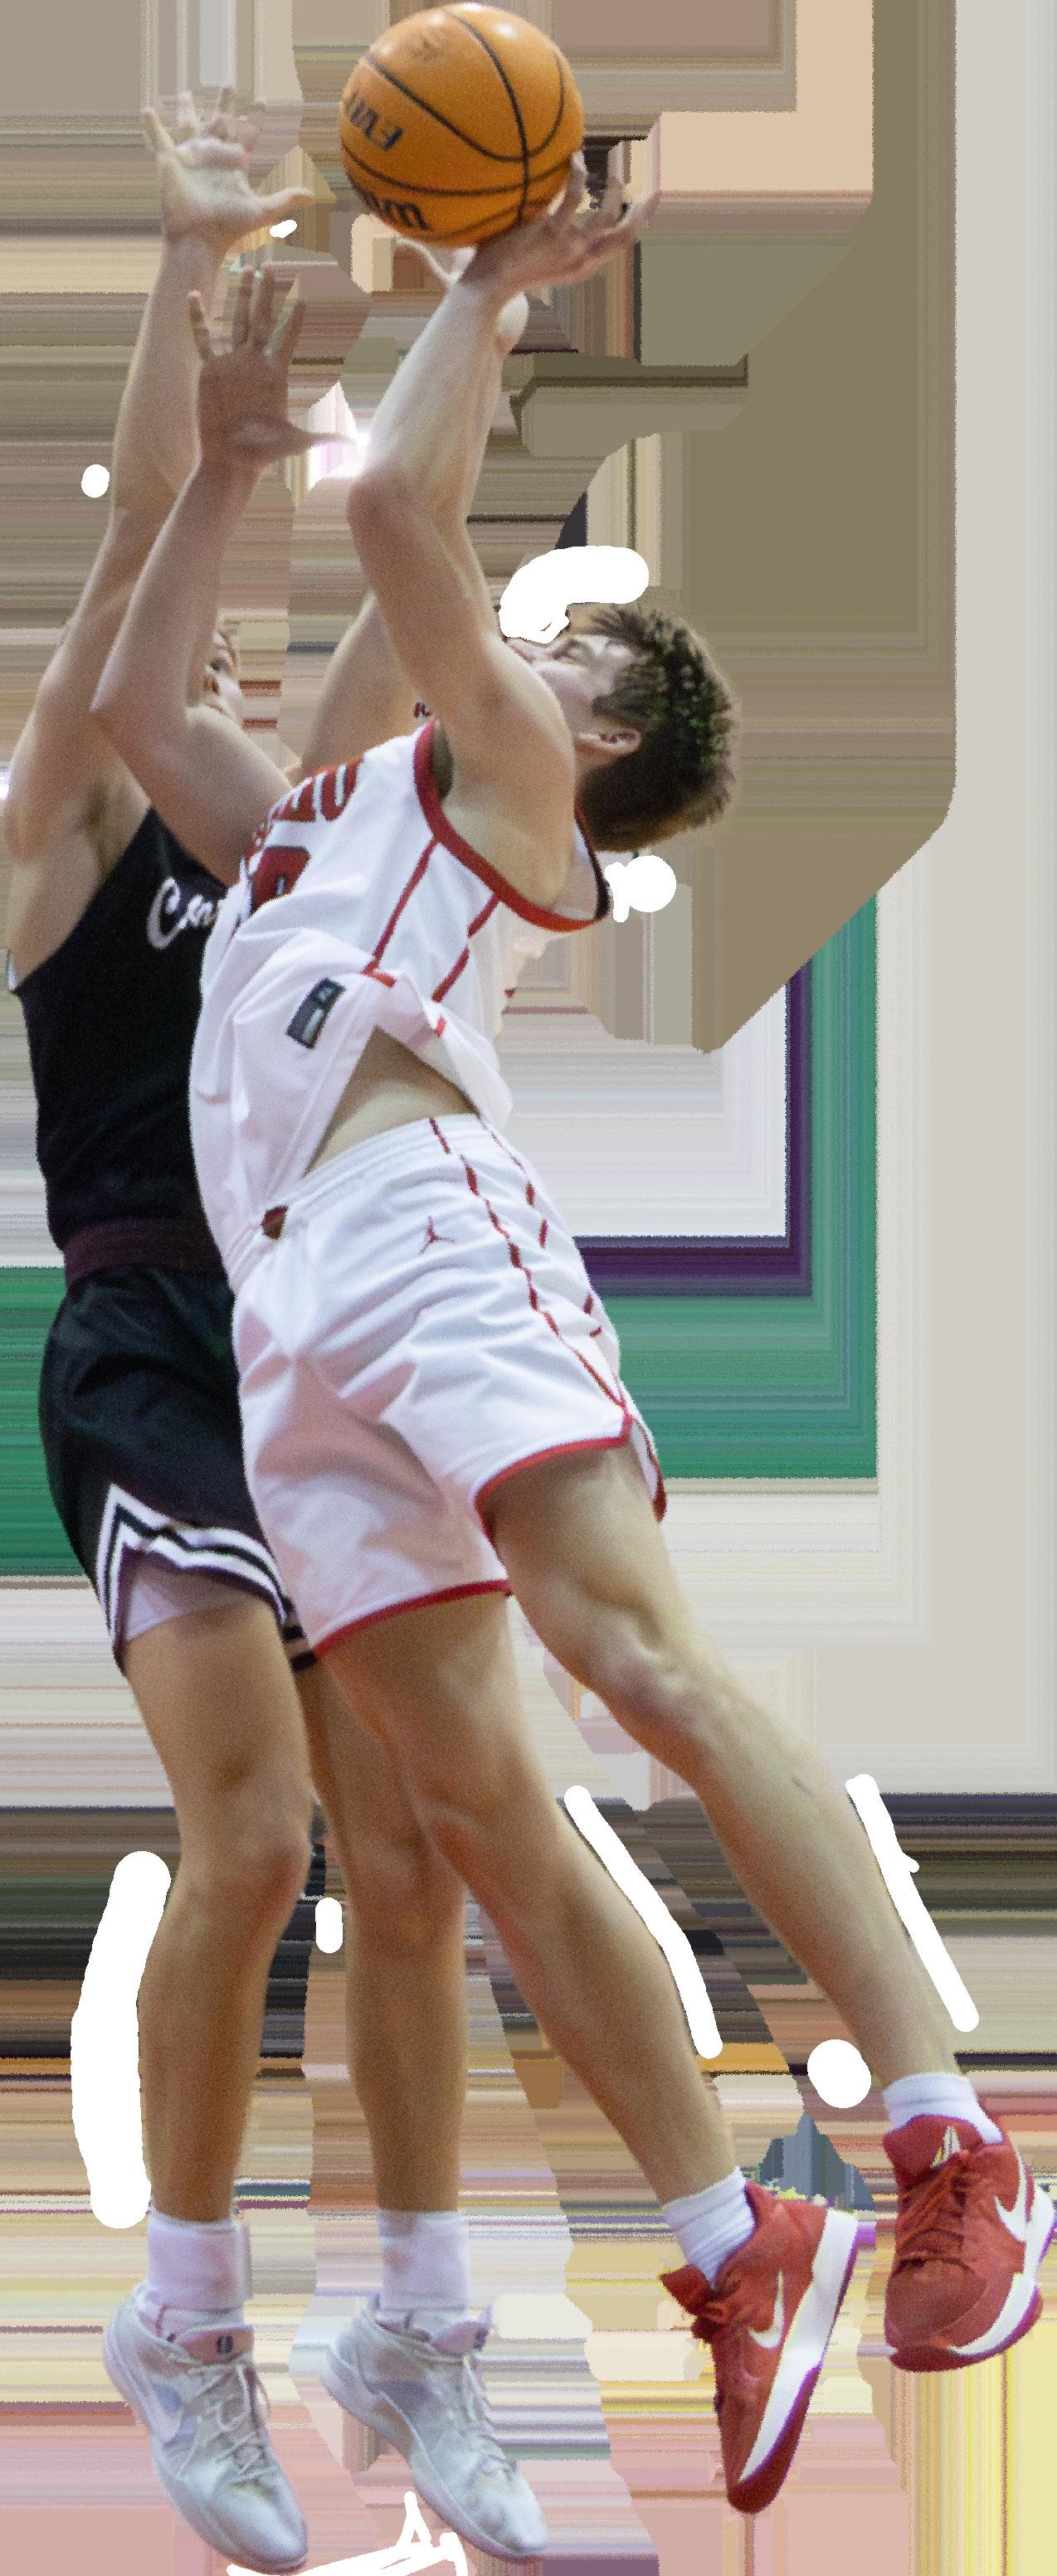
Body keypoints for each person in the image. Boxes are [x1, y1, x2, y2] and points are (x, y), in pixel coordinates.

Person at [92, 163, 1056, 2524]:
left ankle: (953, 2135)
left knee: (634, 1657)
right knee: (472, 1818)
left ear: (594, 729)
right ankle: (737, 2243)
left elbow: (397, 506)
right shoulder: (313, 824)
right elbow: (130, 700)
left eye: (572, 647)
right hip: (288, 1326)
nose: (529, 638)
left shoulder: (517, 791)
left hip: (429, 1233)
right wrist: (221, 446)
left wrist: (491, 290)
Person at [4, 95, 552, 2569]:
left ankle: (420, 2328)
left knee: (415, 1859)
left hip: (324, 1339)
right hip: (152, 1344)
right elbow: (138, 548)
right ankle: (186, 2315)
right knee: (248, 1840)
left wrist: (485, 301)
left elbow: (397, 587)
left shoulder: (287, 829)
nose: (204, 647)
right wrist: (189, 280)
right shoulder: (64, 833)